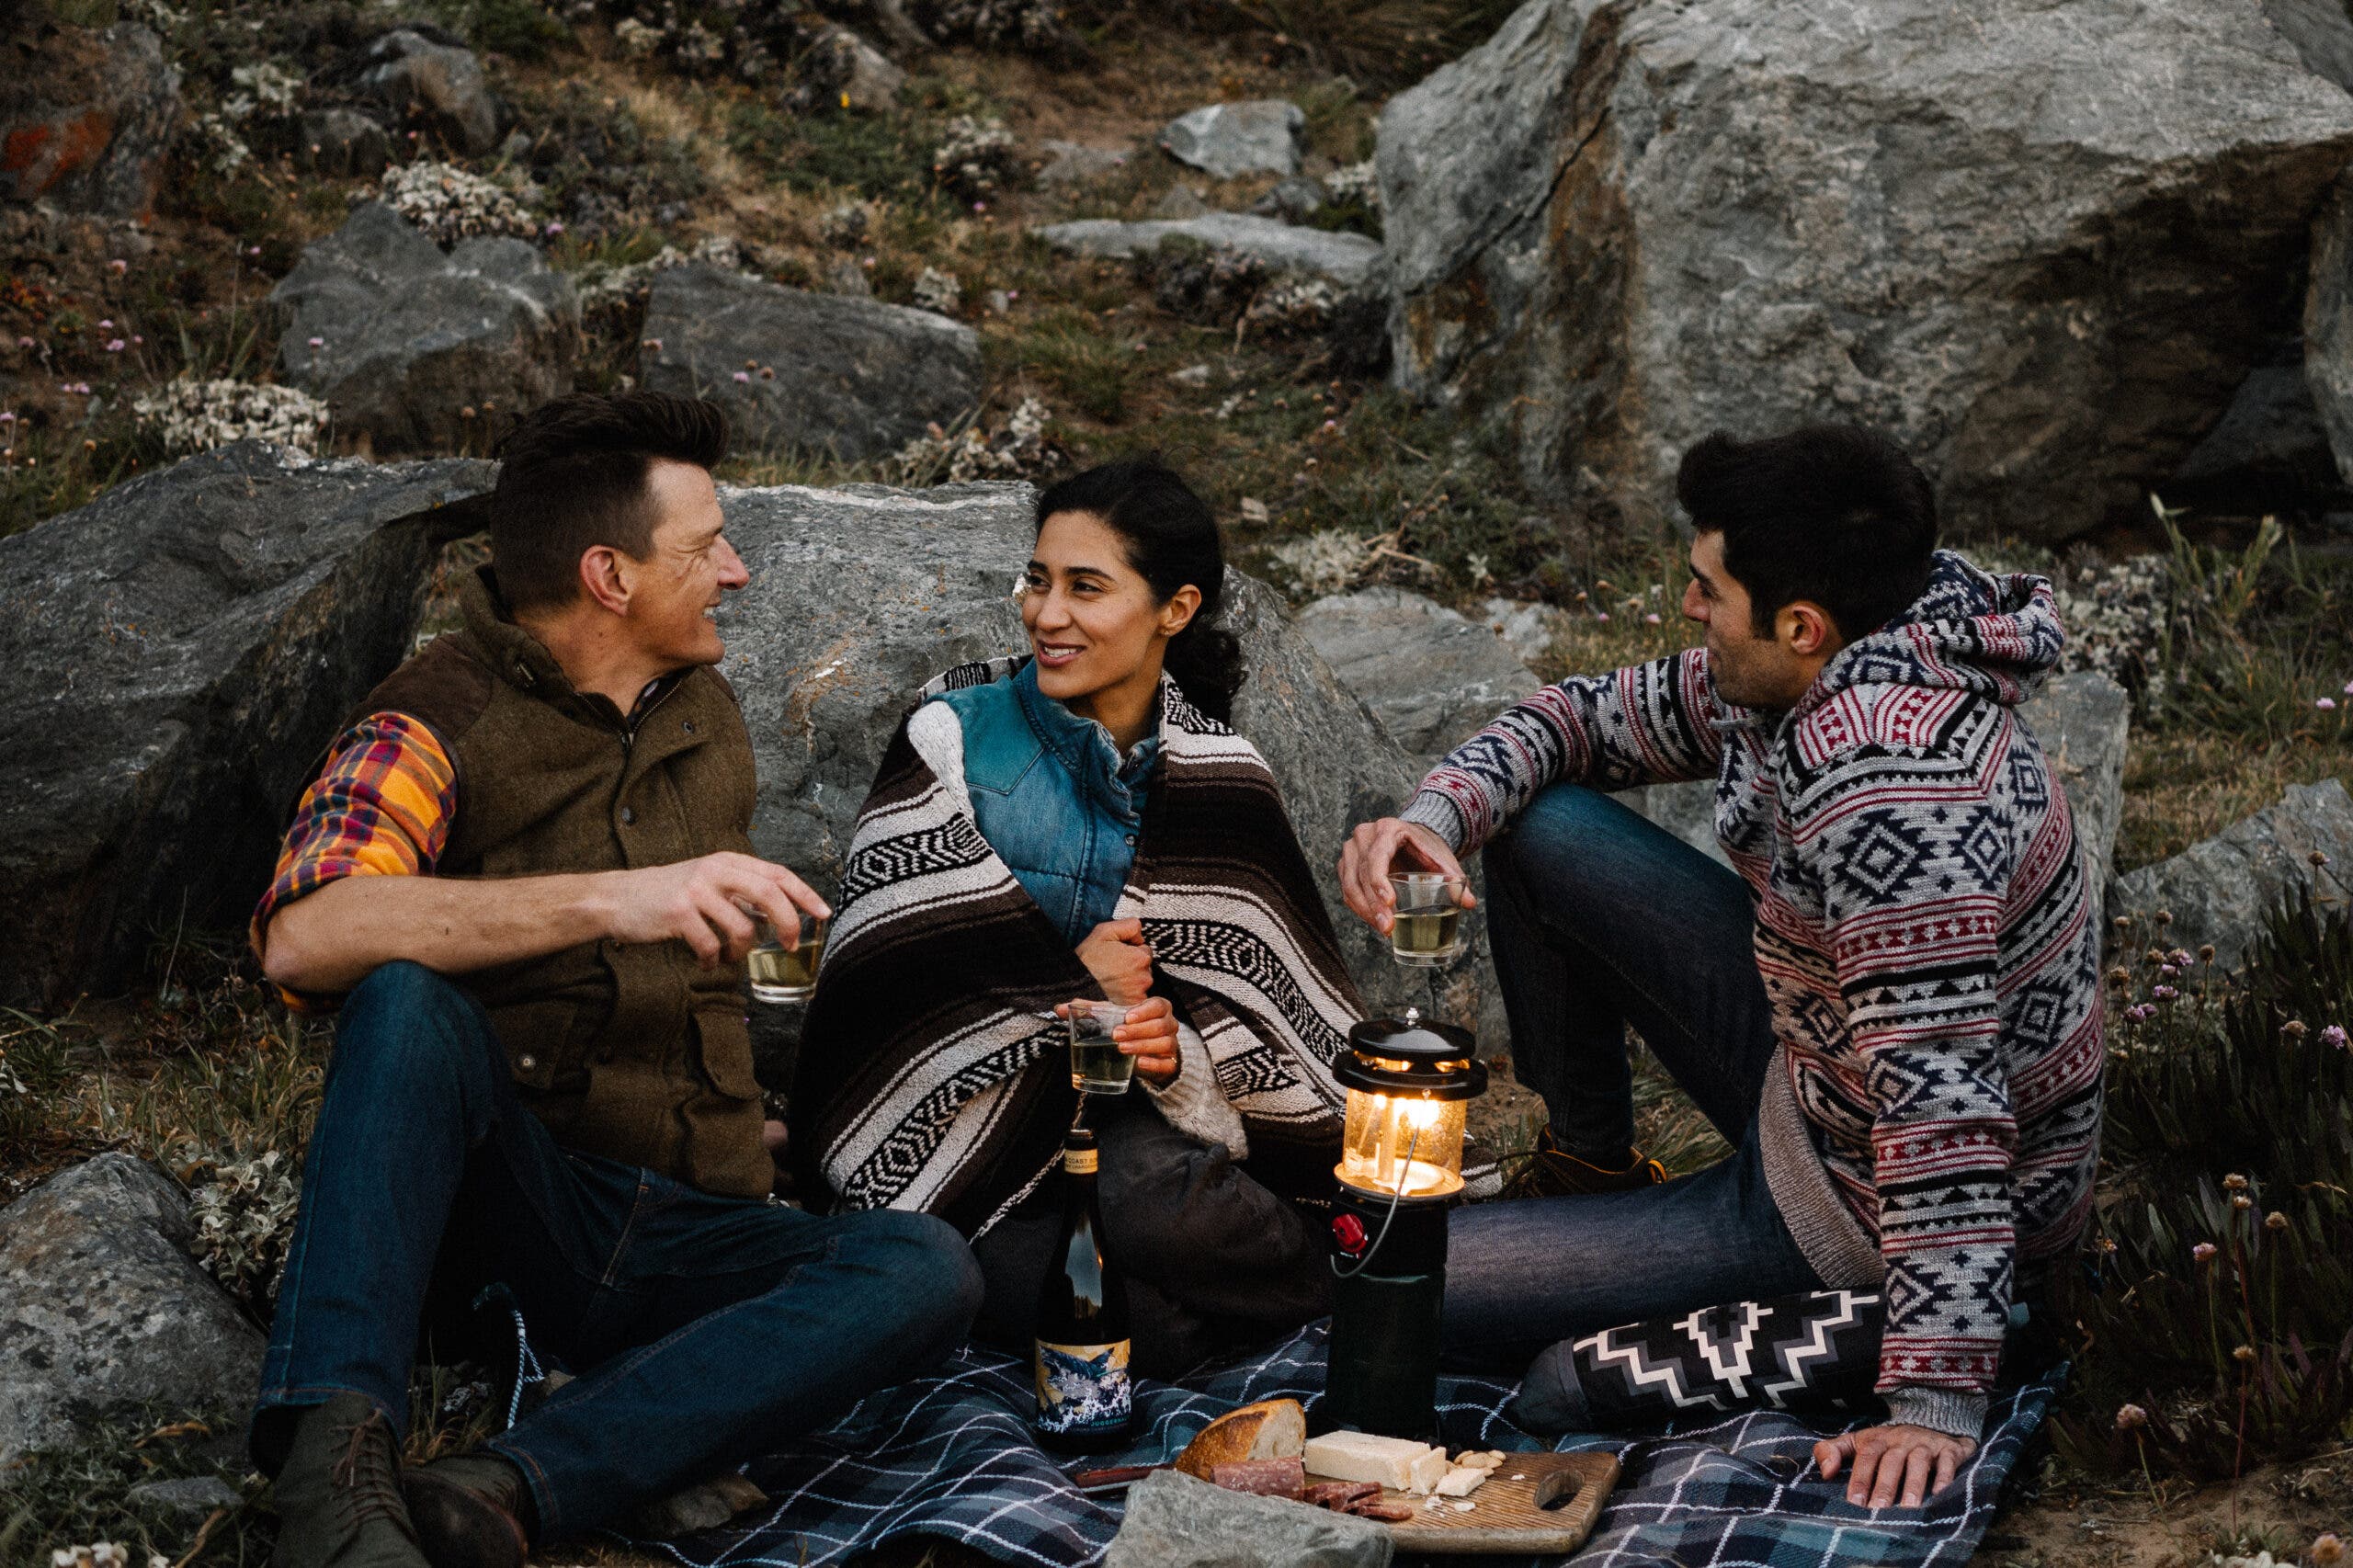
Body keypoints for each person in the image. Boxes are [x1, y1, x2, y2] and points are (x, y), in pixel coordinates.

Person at [247, 392, 982, 1568]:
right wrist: (612, 897)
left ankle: (507, 1486)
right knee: (404, 1005)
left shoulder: (704, 710)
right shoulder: (428, 720)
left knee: (923, 1266)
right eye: (706, 547)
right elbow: (305, 932)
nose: (737, 572)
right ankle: (330, 1481)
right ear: (609, 575)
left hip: (686, 1226)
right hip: (518, 1210)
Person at [1338, 425, 2103, 1510]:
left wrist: (1934, 1392)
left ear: (1799, 625)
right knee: (1541, 825)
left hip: (1866, 1202)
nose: (1689, 606)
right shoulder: (1827, 657)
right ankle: (1591, 1171)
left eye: (1709, 588)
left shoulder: (1894, 790)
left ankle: (1945, 1322)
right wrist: (1435, 814)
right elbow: (1577, 717)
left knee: (1401, 1282)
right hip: (1818, 1061)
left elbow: (1945, 1110)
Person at [791, 458, 1358, 1375]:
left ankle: (1361, 1285)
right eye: (1038, 580)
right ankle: (1316, 1300)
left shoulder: (1221, 774)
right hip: (961, 1140)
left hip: (1133, 1136)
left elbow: (1270, 1022)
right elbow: (874, 986)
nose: (1046, 614)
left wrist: (1175, 1054)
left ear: (1174, 609)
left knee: (1163, 1208)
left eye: (1085, 588)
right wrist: (1065, 980)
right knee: (1150, 1329)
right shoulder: (952, 736)